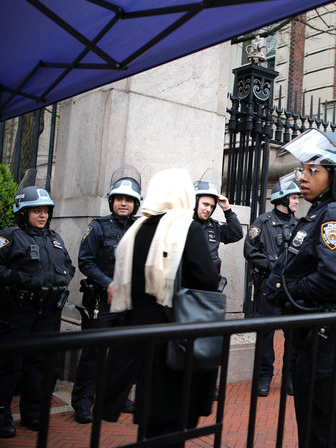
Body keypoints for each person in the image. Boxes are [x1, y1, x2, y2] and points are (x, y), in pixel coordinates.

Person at [101, 168, 221, 442]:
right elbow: (208, 278)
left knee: (151, 412)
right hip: (173, 330)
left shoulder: (137, 228)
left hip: (139, 332)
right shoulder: (185, 227)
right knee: (171, 417)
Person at [263, 128, 336, 448]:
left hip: (327, 343)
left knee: (320, 432)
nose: (302, 177)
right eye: (302, 169)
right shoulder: (315, 213)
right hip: (312, 339)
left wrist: (290, 288)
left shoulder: (334, 214)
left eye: (312, 170)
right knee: (311, 429)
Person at [0, 181, 75, 438]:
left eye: (45, 210)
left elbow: (68, 265)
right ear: (23, 213)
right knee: (10, 364)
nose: (42, 215)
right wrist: (21, 278)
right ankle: (1, 416)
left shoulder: (55, 239)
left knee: (38, 364)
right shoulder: (9, 237)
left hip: (47, 312)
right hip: (20, 310)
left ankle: (32, 414)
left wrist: (63, 277)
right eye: (36, 211)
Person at [71, 166, 142, 424]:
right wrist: (108, 283)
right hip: (101, 302)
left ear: (135, 204)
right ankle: (82, 403)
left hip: (128, 302)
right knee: (94, 354)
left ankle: (117, 398)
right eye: (120, 199)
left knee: (123, 354)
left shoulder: (139, 228)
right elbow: (85, 262)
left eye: (129, 200)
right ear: (112, 201)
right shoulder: (97, 227)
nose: (124, 203)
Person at [243, 174, 300, 397]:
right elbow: (249, 249)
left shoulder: (299, 224)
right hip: (268, 289)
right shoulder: (262, 222)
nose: (297, 201)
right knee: (265, 337)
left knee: (293, 335)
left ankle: (290, 378)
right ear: (283, 199)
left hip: (291, 290)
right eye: (294, 197)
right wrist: (271, 265)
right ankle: (264, 377)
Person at [193, 179, 243, 273]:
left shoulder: (214, 226)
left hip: (210, 283)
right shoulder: (182, 224)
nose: (208, 209)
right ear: (194, 202)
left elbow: (236, 234)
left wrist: (227, 210)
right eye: (205, 204)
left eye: (212, 206)